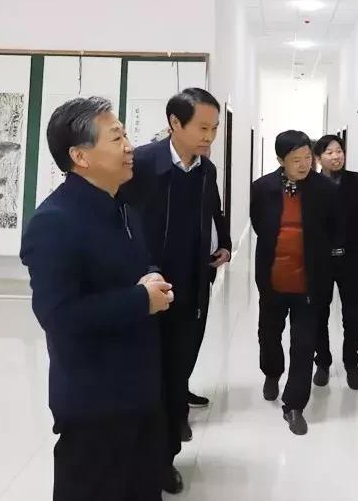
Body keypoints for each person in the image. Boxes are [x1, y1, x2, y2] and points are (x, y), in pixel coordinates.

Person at [20, 97, 174, 501]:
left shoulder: (121, 205)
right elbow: (58, 315)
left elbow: (136, 263)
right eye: (116, 138)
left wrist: (152, 274)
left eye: (126, 135)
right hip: (95, 404)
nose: (129, 147)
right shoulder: (54, 222)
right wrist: (140, 300)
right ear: (80, 156)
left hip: (140, 390)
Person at [120, 87, 231, 493]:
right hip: (147, 288)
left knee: (176, 373)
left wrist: (224, 243)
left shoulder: (206, 170)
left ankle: (166, 458)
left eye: (214, 129)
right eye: (202, 128)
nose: (209, 136)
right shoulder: (142, 164)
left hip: (193, 286)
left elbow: (213, 210)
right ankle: (140, 457)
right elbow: (120, 218)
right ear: (174, 123)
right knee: (147, 378)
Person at [250, 130, 341, 436]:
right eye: (296, 160)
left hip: (309, 284)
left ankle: (294, 405)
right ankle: (272, 372)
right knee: (269, 335)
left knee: (303, 345)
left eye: (307, 158)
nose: (304, 165)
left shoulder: (325, 190)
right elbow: (260, 226)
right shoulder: (262, 188)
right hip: (273, 280)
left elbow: (334, 229)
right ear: (281, 160)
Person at [312, 134, 358, 390]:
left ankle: (351, 362)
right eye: (329, 152)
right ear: (318, 158)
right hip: (321, 259)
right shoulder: (311, 185)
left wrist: (349, 234)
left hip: (352, 256)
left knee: (352, 313)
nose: (336, 156)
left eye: (339, 151)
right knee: (319, 311)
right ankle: (322, 362)